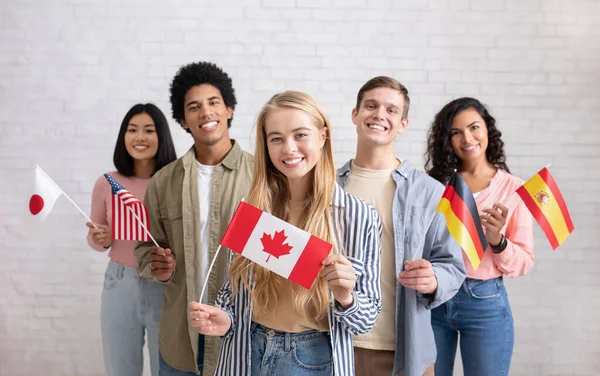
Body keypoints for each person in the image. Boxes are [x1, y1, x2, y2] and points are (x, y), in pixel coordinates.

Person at [188, 90, 383, 376]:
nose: (288, 148)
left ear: (323, 137)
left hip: (312, 358)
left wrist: (346, 297)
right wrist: (225, 319)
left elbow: (365, 321)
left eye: (300, 135)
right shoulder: (252, 212)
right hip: (246, 351)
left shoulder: (357, 216)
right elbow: (232, 294)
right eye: (276, 138)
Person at [336, 76, 467, 376]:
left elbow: (452, 266)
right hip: (335, 344)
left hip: (407, 352)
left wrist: (433, 278)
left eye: (391, 110)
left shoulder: (429, 191)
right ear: (355, 115)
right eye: (371, 106)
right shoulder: (327, 186)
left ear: (403, 124)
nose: (380, 114)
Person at [134, 62, 254, 376]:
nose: (205, 112)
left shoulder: (262, 177)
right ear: (182, 119)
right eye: (194, 107)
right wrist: (159, 267)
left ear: (229, 109)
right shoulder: (163, 182)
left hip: (242, 339)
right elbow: (145, 248)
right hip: (180, 341)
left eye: (214, 102)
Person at [425, 97, 534, 376]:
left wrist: (497, 240)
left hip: (484, 302)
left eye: (474, 127)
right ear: (446, 139)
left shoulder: (513, 189)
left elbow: (524, 262)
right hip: (434, 299)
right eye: (456, 132)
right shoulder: (435, 183)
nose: (467, 138)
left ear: (488, 130)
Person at [87, 103, 177, 376]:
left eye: (149, 130)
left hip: (164, 284)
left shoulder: (174, 180)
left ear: (161, 137)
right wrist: (100, 238)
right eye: (132, 130)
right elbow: (96, 239)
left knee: (166, 367)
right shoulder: (107, 183)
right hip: (120, 282)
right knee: (120, 368)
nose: (140, 137)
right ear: (123, 136)